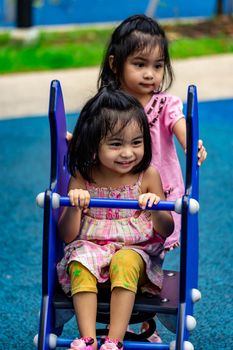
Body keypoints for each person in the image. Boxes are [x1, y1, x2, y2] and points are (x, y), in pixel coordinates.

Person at [97, 14, 207, 341]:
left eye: (158, 66)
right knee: (119, 256)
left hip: (156, 199)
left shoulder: (165, 103)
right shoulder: (109, 105)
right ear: (116, 64)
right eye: (140, 64)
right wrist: (75, 141)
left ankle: (143, 322)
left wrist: (192, 142)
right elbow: (93, 135)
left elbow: (180, 125)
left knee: (147, 257)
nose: (151, 74)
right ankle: (127, 319)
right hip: (118, 199)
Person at [57, 86, 174, 350]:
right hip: (93, 251)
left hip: (135, 255)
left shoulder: (148, 176)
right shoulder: (83, 177)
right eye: (116, 144)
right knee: (78, 259)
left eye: (136, 142)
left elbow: (166, 230)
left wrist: (156, 207)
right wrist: (75, 205)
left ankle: (114, 340)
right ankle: (87, 338)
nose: (128, 153)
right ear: (93, 145)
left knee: (124, 259)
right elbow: (67, 235)